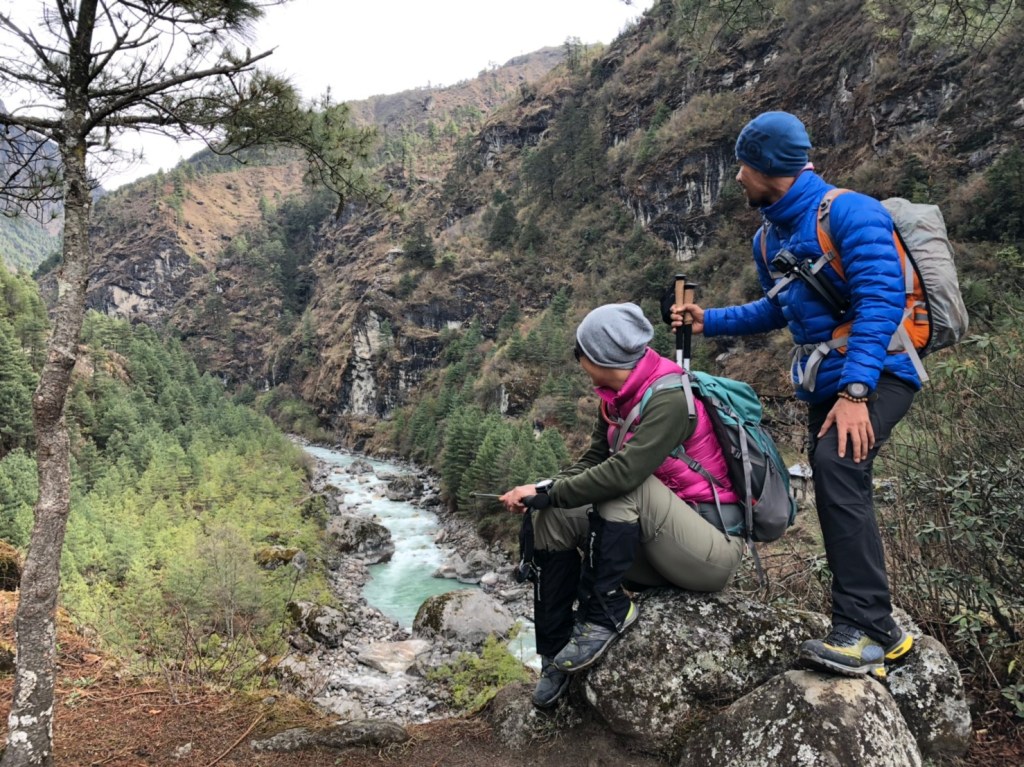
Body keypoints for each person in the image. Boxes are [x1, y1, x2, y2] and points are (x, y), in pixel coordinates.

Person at [666, 110, 917, 679]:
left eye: (743, 166)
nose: (736, 179)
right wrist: (710, 321)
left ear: (769, 166)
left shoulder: (851, 212)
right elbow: (777, 310)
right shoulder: (769, 236)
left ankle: (862, 631)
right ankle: (883, 634)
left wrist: (857, 391)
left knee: (834, 469)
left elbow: (882, 303)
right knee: (836, 488)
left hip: (881, 371)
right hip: (827, 382)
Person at [500, 302, 745, 709]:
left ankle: (606, 610)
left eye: (580, 352)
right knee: (552, 514)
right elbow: (594, 460)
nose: (577, 360)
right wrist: (543, 491)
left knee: (625, 486)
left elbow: (623, 474)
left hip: (708, 551)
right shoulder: (615, 398)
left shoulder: (668, 399)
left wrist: (552, 489)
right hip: (655, 542)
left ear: (598, 357)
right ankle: (556, 649)